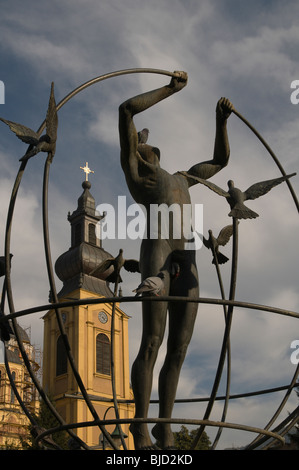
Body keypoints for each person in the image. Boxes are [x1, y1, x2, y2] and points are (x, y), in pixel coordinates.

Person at [118, 71, 233, 449]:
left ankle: (163, 428)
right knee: (152, 340)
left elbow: (220, 159)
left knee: (180, 348)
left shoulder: (182, 178)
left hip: (187, 259)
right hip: (158, 253)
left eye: (144, 143)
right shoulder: (139, 177)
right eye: (137, 143)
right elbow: (126, 110)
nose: (142, 144)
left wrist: (221, 121)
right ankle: (140, 423)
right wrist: (170, 89)